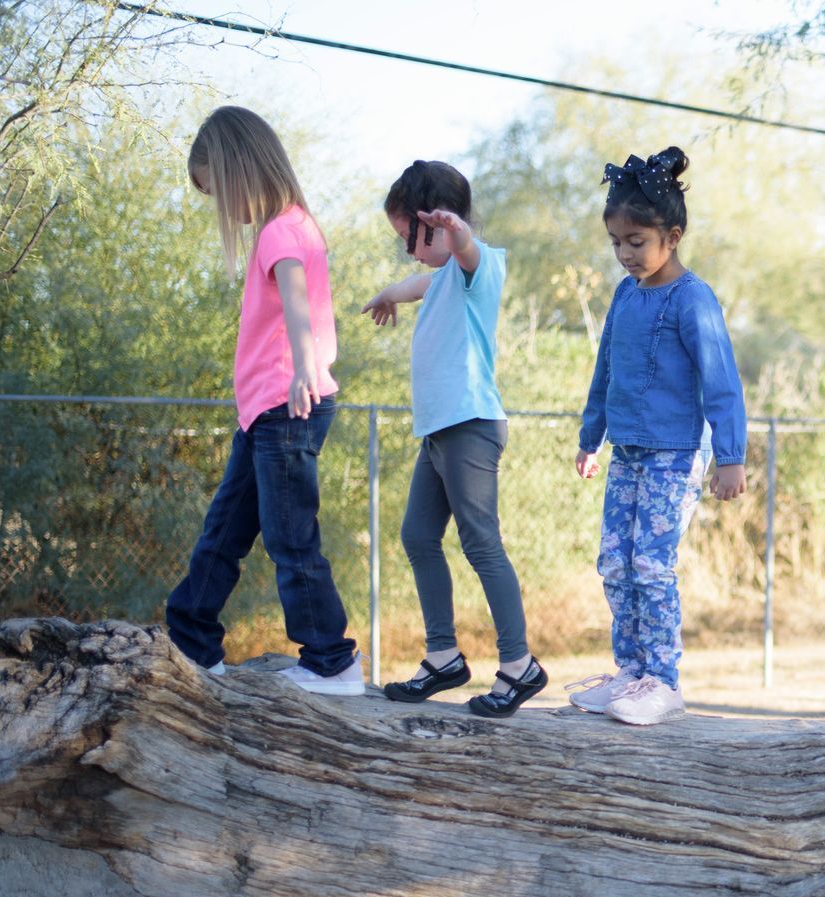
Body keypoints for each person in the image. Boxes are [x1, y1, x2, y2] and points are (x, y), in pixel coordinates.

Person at [164, 106, 361, 696]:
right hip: (265, 413)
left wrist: (305, 365)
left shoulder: (282, 230)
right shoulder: (295, 223)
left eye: (220, 191)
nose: (223, 208)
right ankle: (190, 638)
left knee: (290, 537)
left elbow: (297, 298)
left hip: (286, 405)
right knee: (225, 529)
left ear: (241, 170)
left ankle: (331, 660)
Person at [565, 148, 747, 727]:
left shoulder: (692, 298)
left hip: (674, 457)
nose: (624, 253)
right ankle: (629, 673)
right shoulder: (625, 294)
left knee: (651, 564)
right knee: (614, 562)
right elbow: (606, 370)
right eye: (617, 241)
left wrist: (730, 456)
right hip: (627, 454)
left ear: (672, 235)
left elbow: (721, 379)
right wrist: (590, 437)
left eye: (636, 241)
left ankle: (662, 682)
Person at [363, 160, 546, 717]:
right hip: (440, 433)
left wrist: (456, 230)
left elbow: (465, 250)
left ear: (438, 226)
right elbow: (419, 282)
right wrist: (390, 293)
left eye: (409, 239)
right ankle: (442, 656)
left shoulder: (477, 264)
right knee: (418, 536)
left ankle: (520, 666)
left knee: (480, 542)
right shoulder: (440, 276)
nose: (409, 253)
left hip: (470, 426)